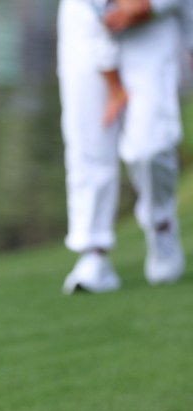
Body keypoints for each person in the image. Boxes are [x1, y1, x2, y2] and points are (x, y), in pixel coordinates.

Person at [58, 0, 189, 293]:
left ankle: (161, 224)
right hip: (86, 21)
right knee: (87, 139)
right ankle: (93, 252)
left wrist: (153, 5)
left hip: (156, 25)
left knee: (151, 145)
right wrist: (115, 86)